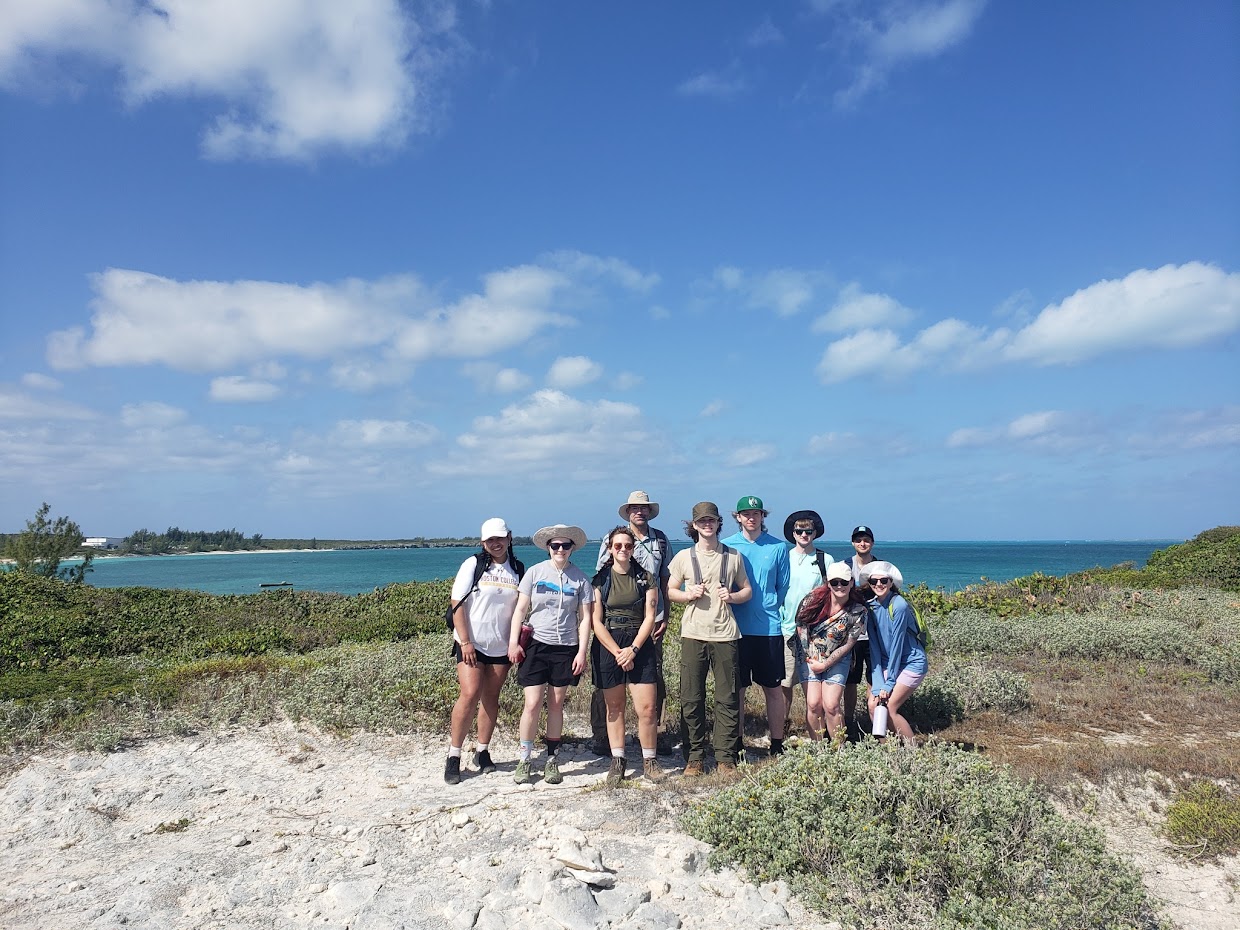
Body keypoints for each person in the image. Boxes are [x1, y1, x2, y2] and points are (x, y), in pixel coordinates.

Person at [667, 502, 752, 776]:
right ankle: (694, 758)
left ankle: (725, 757)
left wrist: (734, 596)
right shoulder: (683, 557)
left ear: (718, 524)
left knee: (727, 698)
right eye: (702, 521)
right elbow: (670, 591)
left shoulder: (734, 556)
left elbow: (747, 590)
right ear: (694, 525)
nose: (707, 525)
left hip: (726, 634)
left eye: (711, 521)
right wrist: (686, 593)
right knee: (691, 698)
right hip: (693, 634)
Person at [508, 524, 594, 785]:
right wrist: (514, 643)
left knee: (556, 705)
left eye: (565, 545)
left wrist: (582, 652)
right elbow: (521, 609)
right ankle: (525, 758)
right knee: (532, 704)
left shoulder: (580, 579)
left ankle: (552, 759)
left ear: (571, 549)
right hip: (536, 644)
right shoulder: (534, 573)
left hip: (566, 648)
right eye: (555, 545)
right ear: (548, 548)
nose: (560, 550)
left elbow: (585, 619)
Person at [592, 491, 672, 755]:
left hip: (650, 620)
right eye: (634, 508)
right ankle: (603, 737)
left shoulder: (660, 540)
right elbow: (602, 577)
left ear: (649, 512)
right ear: (627, 512)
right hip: (613, 627)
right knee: (606, 685)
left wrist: (666, 614)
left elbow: (664, 580)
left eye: (644, 508)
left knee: (652, 678)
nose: (639, 512)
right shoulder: (611, 538)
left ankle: (653, 737)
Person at [444, 518, 523, 784]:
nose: (496, 544)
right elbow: (457, 603)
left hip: (501, 645)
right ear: (483, 543)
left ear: (509, 538)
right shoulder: (473, 565)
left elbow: (519, 609)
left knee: (491, 697)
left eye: (500, 538)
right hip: (472, 643)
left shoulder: (518, 569)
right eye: (490, 540)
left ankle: (482, 751)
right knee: (469, 693)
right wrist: (465, 642)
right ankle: (454, 756)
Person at [591, 525, 662, 785]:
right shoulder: (600, 579)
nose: (623, 550)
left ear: (633, 549)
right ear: (610, 548)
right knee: (614, 707)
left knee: (647, 708)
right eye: (617, 546)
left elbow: (650, 616)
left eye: (628, 546)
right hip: (609, 644)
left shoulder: (646, 578)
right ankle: (618, 760)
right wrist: (617, 651)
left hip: (639, 643)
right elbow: (596, 622)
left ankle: (649, 760)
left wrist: (633, 649)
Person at [722, 495, 791, 756]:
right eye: (746, 514)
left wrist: (769, 607)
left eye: (756, 513)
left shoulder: (778, 547)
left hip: (769, 629)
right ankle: (738, 743)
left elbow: (782, 586)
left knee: (773, 689)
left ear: (763, 516)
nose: (751, 518)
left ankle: (776, 743)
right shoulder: (727, 546)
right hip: (735, 629)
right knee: (737, 689)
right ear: (737, 517)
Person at [793, 561, 869, 741]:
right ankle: (818, 747)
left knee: (832, 705)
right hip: (808, 655)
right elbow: (801, 627)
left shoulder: (858, 611)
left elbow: (849, 643)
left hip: (837, 658)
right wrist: (811, 658)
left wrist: (826, 663)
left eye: (844, 582)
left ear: (852, 582)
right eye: (835, 582)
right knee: (813, 704)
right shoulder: (813, 600)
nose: (839, 586)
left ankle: (838, 750)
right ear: (828, 583)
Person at [779, 510, 833, 740]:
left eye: (808, 531)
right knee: (784, 683)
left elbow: (834, 592)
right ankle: (778, 732)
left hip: (815, 633)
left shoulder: (825, 559)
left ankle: (818, 738)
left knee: (812, 688)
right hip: (786, 629)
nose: (803, 534)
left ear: (815, 533)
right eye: (799, 531)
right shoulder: (784, 556)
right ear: (793, 533)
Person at [860, 560, 928, 741]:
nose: (879, 585)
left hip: (911, 662)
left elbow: (897, 646)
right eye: (874, 581)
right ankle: (887, 753)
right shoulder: (871, 607)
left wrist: (888, 683)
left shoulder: (899, 606)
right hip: (888, 662)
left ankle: (912, 755)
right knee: (874, 704)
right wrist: (878, 681)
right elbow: (873, 646)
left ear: (891, 582)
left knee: (888, 707)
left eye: (883, 580)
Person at [842, 525, 878, 738]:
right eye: (858, 540)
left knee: (874, 678)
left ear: (872, 542)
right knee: (850, 680)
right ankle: (849, 721)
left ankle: (875, 721)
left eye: (866, 540)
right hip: (852, 633)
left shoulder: (880, 566)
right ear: (853, 543)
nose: (862, 543)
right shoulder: (846, 566)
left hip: (874, 634)